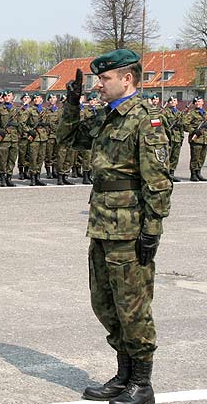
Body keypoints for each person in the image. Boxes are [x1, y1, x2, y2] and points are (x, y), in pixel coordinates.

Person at [58, 49, 172, 404]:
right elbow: (69, 138)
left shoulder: (145, 118)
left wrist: (152, 229)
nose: (98, 85)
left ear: (127, 79)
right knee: (104, 303)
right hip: (102, 224)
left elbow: (158, 182)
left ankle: (142, 382)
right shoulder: (108, 117)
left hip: (130, 228)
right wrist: (73, 103)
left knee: (133, 306)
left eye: (104, 79)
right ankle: (123, 374)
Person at [0, 90, 19, 187]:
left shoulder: (16, 109)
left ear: (12, 97)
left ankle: (9, 177)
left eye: (9, 96)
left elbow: (21, 123)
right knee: (2, 159)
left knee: (12, 159)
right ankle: (2, 178)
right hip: (4, 137)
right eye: (5, 96)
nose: (6, 97)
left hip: (14, 138)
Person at [23, 93, 49, 186]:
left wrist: (47, 131)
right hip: (34, 137)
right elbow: (22, 123)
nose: (36, 99)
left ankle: (38, 177)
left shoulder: (45, 110)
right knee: (33, 158)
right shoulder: (29, 110)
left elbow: (48, 123)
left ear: (41, 99)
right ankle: (33, 178)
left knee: (41, 158)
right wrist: (29, 131)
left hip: (43, 137)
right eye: (34, 98)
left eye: (38, 98)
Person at [183, 96, 207, 181]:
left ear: (202, 102)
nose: (198, 103)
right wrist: (193, 131)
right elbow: (185, 124)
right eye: (196, 102)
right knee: (195, 157)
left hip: (204, 139)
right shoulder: (191, 113)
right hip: (196, 139)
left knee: (202, 157)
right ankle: (193, 174)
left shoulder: (205, 113)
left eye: (199, 101)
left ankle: (198, 172)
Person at [160, 96, 184, 182]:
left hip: (177, 137)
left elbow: (182, 127)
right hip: (169, 137)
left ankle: (172, 173)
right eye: (171, 101)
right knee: (167, 156)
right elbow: (161, 125)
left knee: (175, 156)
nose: (173, 102)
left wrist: (181, 137)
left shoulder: (179, 113)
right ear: (169, 103)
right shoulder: (165, 112)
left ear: (177, 102)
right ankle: (166, 174)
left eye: (174, 100)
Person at [44, 93, 60, 179]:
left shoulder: (59, 110)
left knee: (56, 154)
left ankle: (54, 171)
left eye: (54, 97)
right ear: (49, 100)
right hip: (49, 136)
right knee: (48, 154)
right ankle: (48, 172)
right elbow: (46, 123)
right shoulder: (46, 110)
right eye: (51, 98)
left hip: (57, 136)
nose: (53, 99)